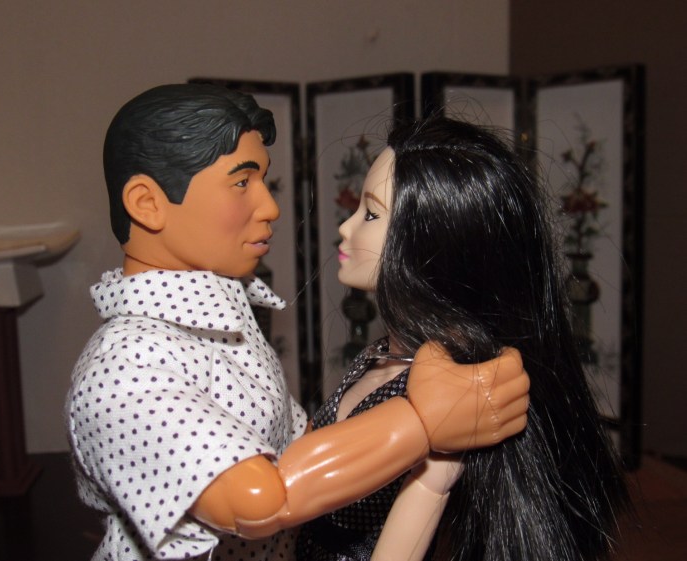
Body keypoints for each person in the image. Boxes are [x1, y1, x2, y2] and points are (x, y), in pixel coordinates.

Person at [66, 84, 530, 561]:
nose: (270, 207)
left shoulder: (226, 330)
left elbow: (300, 442)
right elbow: (261, 501)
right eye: (242, 183)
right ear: (147, 203)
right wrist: (421, 421)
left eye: (263, 181)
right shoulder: (124, 369)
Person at [296, 115, 629, 561]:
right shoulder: (383, 355)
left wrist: (431, 480)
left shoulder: (436, 389)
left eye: (371, 214)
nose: (346, 227)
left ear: (430, 243)